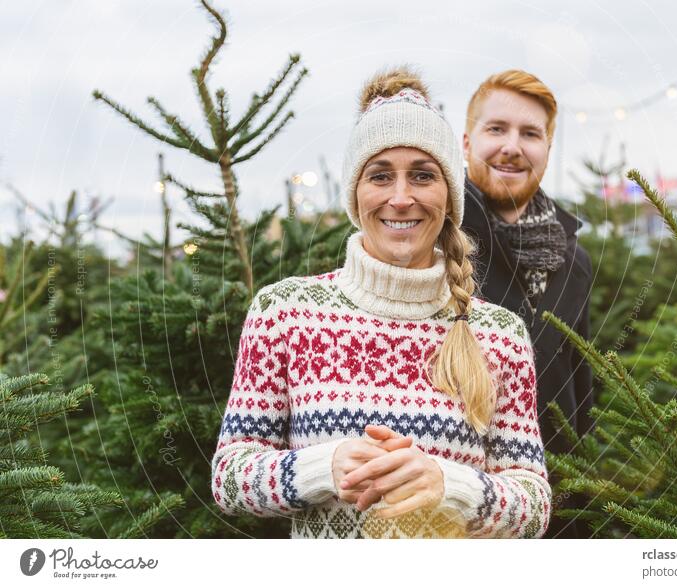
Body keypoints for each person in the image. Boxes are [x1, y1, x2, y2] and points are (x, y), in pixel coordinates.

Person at [211, 67, 551, 538]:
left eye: (422, 176)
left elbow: (533, 504)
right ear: (356, 192)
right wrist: (322, 468)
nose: (400, 197)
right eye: (380, 176)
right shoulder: (285, 313)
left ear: (449, 195)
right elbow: (230, 477)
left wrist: (450, 484)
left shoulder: (499, 334)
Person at [460, 70, 593, 538]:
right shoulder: (437, 244)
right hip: (456, 505)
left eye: (530, 133)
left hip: (557, 508)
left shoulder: (573, 259)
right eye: (496, 129)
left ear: (547, 149)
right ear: (466, 141)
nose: (512, 146)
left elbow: (581, 388)